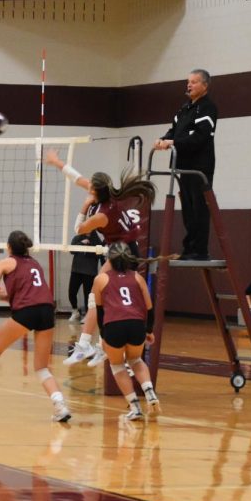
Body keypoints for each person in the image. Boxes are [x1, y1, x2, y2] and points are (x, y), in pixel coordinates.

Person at [44, 152, 156, 368]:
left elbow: (79, 229)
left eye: (90, 189)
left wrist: (85, 206)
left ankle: (91, 344)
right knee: (98, 294)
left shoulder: (101, 214)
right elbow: (79, 179)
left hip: (123, 252)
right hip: (123, 249)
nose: (88, 188)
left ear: (95, 192)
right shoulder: (111, 195)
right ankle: (96, 344)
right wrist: (58, 163)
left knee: (98, 293)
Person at [0, 231, 72, 423]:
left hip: (27, 311)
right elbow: (32, 291)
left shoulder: (6, 263)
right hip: (46, 310)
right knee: (42, 367)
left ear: (9, 247)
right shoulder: (35, 263)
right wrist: (12, 296)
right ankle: (60, 406)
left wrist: (4, 296)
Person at [153, 69, 217, 261]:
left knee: (199, 207)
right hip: (183, 166)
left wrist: (173, 143)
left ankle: (200, 250)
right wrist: (163, 140)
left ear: (205, 86)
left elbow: (200, 137)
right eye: (188, 82)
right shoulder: (184, 108)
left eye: (194, 82)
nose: (189, 85)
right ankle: (189, 248)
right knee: (188, 208)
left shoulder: (208, 108)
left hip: (200, 168)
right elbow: (174, 131)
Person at [94, 242, 161, 421]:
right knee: (136, 360)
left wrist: (102, 335)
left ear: (109, 259)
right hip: (136, 325)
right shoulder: (137, 278)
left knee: (117, 365)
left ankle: (135, 407)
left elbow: (100, 312)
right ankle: (149, 392)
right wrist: (149, 330)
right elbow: (149, 309)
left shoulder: (100, 279)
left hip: (114, 325)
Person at [66, 196, 102, 323]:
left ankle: (87, 315)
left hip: (89, 272)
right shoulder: (78, 237)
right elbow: (71, 250)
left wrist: (90, 247)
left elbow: (100, 255)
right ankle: (75, 311)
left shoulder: (97, 240)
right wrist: (81, 244)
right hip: (76, 270)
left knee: (89, 295)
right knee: (71, 292)